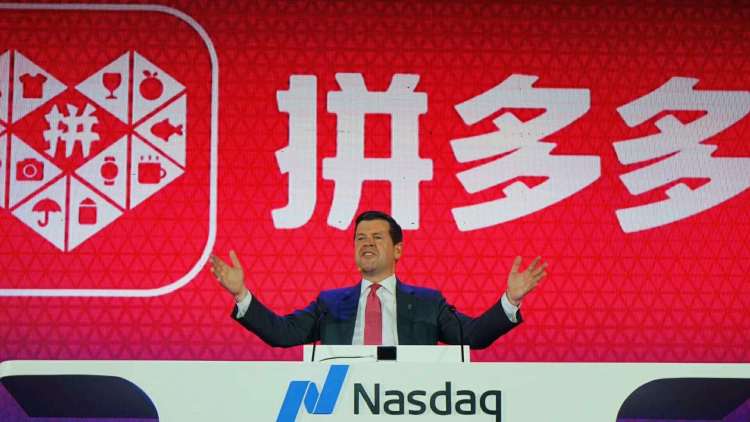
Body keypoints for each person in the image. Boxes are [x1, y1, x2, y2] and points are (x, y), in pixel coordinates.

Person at [209, 210, 546, 349]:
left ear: (398, 249)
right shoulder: (330, 303)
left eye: (376, 237)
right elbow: (283, 334)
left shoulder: (427, 302)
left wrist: (510, 301)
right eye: (360, 238)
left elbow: (471, 337)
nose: (366, 243)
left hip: (407, 400)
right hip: (344, 400)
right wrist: (241, 295)